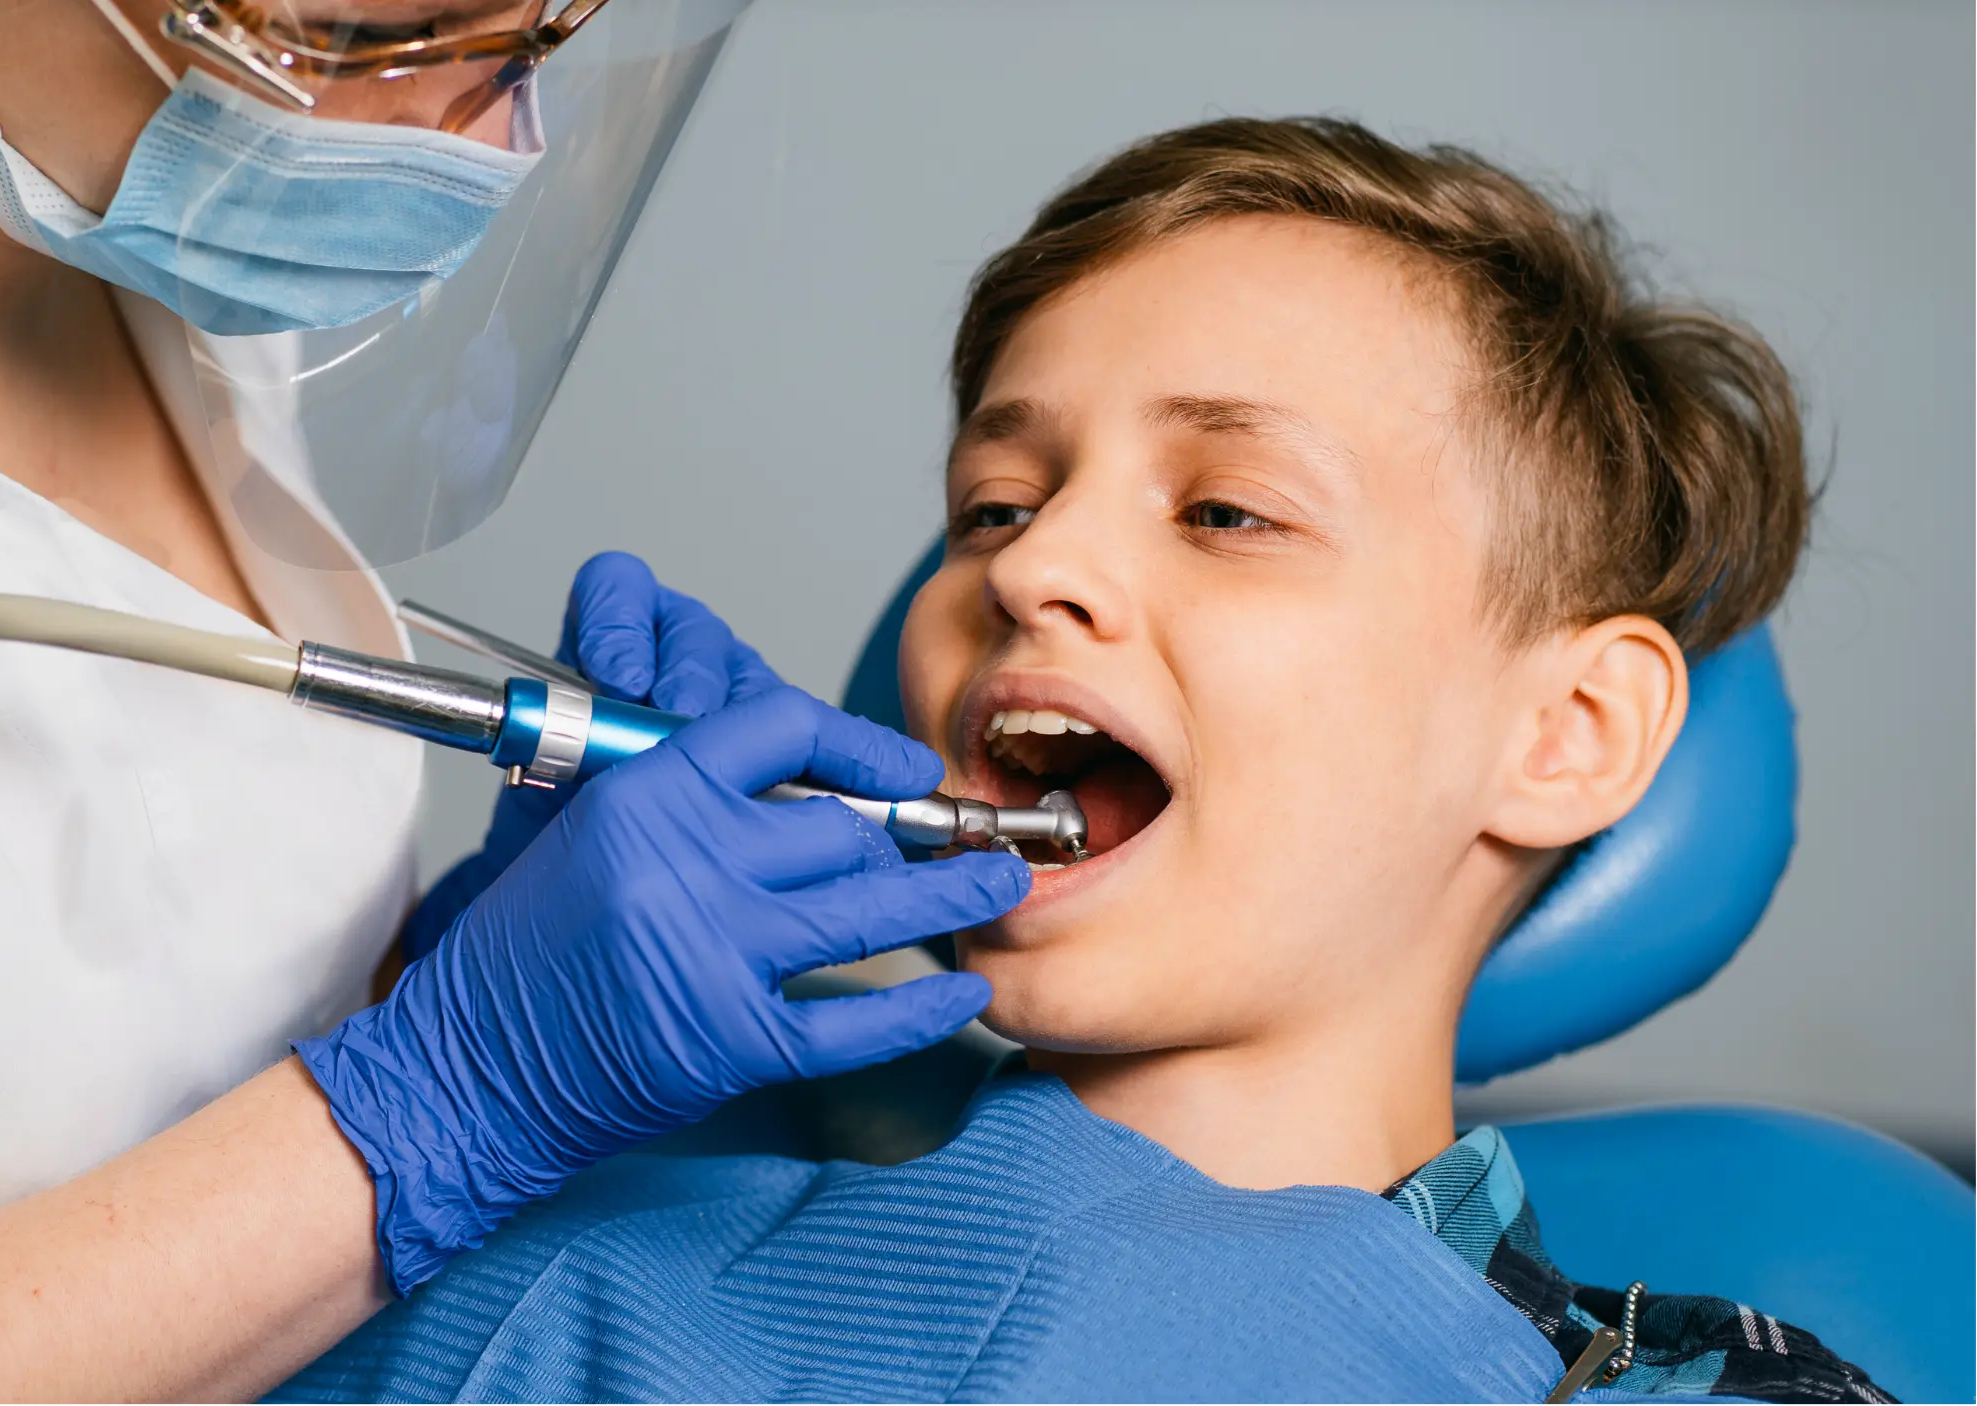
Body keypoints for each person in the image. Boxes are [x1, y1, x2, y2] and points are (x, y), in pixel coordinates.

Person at [273, 118, 1891, 1402]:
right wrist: (412, 1017)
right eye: (993, 501)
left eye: (1222, 509)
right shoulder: (588, 1173)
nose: (1023, 564)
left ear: (1565, 734)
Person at [0, 3, 1026, 1400]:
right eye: (398, 30)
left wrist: (438, 973)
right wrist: (434, 1105)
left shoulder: (137, 226)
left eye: (540, 36)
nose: (494, 138)